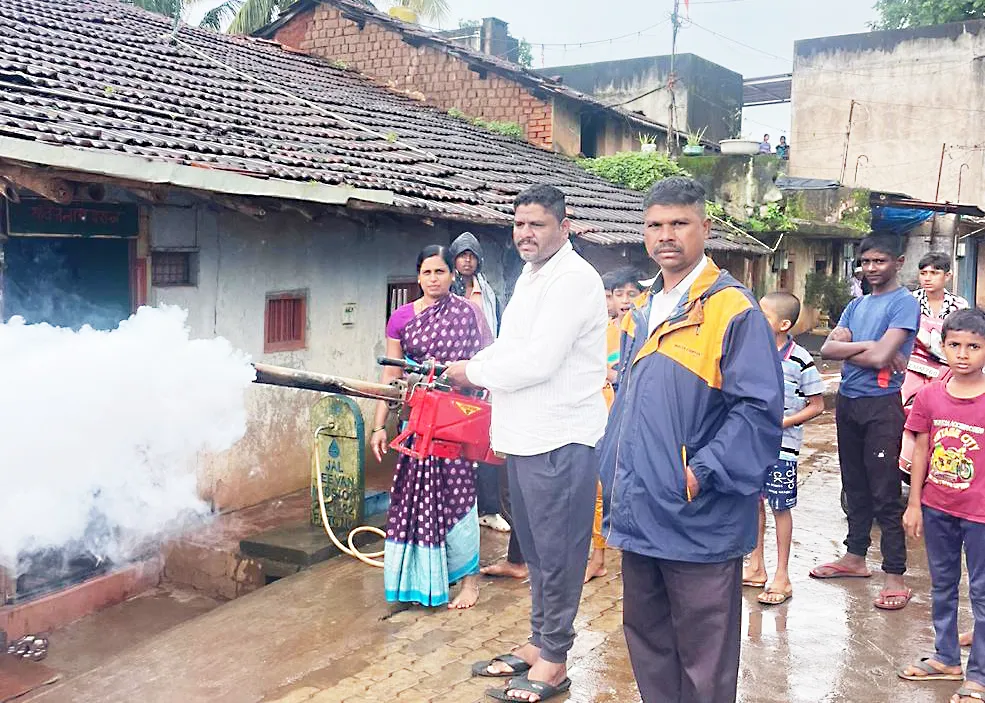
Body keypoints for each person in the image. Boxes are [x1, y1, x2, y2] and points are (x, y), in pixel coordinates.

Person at [598, 176, 783, 703]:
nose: (666, 236)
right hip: (639, 506)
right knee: (649, 641)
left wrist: (700, 473)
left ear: (704, 227)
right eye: (655, 225)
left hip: (696, 514)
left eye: (679, 223)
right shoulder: (643, 308)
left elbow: (758, 413)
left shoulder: (731, 309)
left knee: (704, 656)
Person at [445, 184, 608, 702]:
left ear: (565, 225)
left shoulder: (575, 280)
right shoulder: (531, 276)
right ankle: (540, 642)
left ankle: (556, 662)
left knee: (558, 554)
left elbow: (537, 362)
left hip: (560, 439)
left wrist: (469, 371)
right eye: (519, 224)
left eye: (537, 224)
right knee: (536, 553)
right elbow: (510, 347)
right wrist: (479, 367)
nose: (525, 234)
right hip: (523, 436)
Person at [370, 245, 490, 610]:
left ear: (453, 275)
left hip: (456, 416)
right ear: (418, 276)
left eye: (440, 272)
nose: (434, 279)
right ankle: (419, 580)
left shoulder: (469, 312)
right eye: (427, 272)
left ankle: (470, 582)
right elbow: (390, 375)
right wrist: (379, 426)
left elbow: (489, 362)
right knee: (414, 498)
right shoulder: (402, 318)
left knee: (459, 496)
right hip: (416, 419)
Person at [813, 235, 921, 610]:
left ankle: (894, 575)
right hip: (849, 402)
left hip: (881, 405)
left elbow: (882, 358)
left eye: (880, 261)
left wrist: (857, 348)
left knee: (884, 492)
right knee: (854, 484)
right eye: (866, 261)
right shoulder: (856, 305)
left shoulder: (904, 303)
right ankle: (854, 558)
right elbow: (826, 350)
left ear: (898, 261)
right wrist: (869, 347)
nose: (871, 268)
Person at [897, 308, 985, 703]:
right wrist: (914, 503)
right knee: (942, 585)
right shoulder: (931, 394)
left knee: (981, 593)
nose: (963, 354)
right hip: (937, 507)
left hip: (981, 514)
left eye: (974, 347)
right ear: (942, 346)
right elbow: (921, 448)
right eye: (955, 345)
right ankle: (947, 657)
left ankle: (979, 674)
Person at [742, 293, 825, 605]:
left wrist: (785, 421)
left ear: (783, 324)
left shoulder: (800, 358)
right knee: (754, 504)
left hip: (783, 448)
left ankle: (782, 575)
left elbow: (816, 405)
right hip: (752, 444)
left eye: (762, 316)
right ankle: (756, 567)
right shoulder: (751, 354)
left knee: (779, 507)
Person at [449, 232, 510, 534]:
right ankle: (454, 506)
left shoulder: (488, 293)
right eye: (462, 255)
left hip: (483, 371)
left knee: (485, 438)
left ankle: (488, 509)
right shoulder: (447, 292)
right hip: (451, 375)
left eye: (472, 255)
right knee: (453, 439)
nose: (467, 260)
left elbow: (496, 332)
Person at [587, 267, 642, 584]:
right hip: (602, 419)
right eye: (618, 293)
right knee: (599, 490)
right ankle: (598, 556)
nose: (623, 300)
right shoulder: (603, 332)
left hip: (637, 422)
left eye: (630, 293)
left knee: (633, 491)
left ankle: (636, 557)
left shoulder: (647, 332)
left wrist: (615, 376)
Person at [914, 251, 969, 321]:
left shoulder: (959, 305)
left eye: (934, 273)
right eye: (923, 273)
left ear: (947, 276)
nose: (927, 278)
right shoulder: (910, 300)